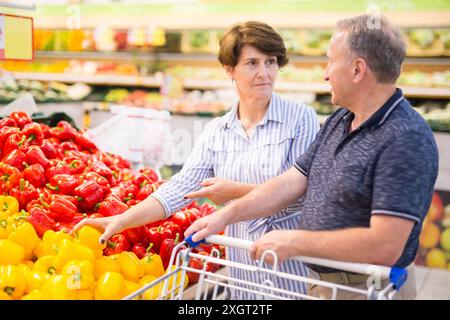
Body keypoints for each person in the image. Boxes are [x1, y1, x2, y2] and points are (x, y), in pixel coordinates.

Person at [185, 15, 439, 300]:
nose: (325, 74)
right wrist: (227, 214)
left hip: (366, 289)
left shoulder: (405, 138)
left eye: (331, 62)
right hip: (324, 283)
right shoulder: (342, 118)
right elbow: (293, 180)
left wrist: (295, 241)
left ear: (357, 70)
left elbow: (386, 244)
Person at [73, 21, 320, 299]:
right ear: (230, 70)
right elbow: (181, 188)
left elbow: (303, 193)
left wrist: (234, 192)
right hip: (239, 271)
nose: (264, 73)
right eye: (252, 63)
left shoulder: (301, 118)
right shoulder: (217, 131)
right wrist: (121, 220)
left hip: (288, 271)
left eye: (271, 62)